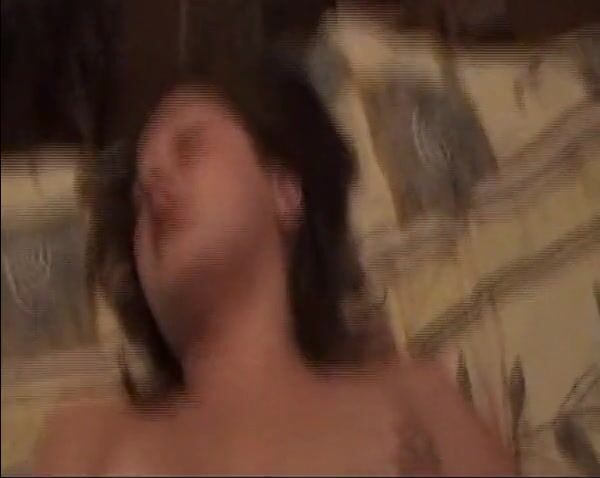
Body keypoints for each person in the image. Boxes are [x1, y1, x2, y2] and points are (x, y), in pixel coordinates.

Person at [34, 55, 514, 476]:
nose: (155, 180)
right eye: (140, 196)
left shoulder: (416, 400)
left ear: (284, 192)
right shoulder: (87, 438)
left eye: (189, 147)